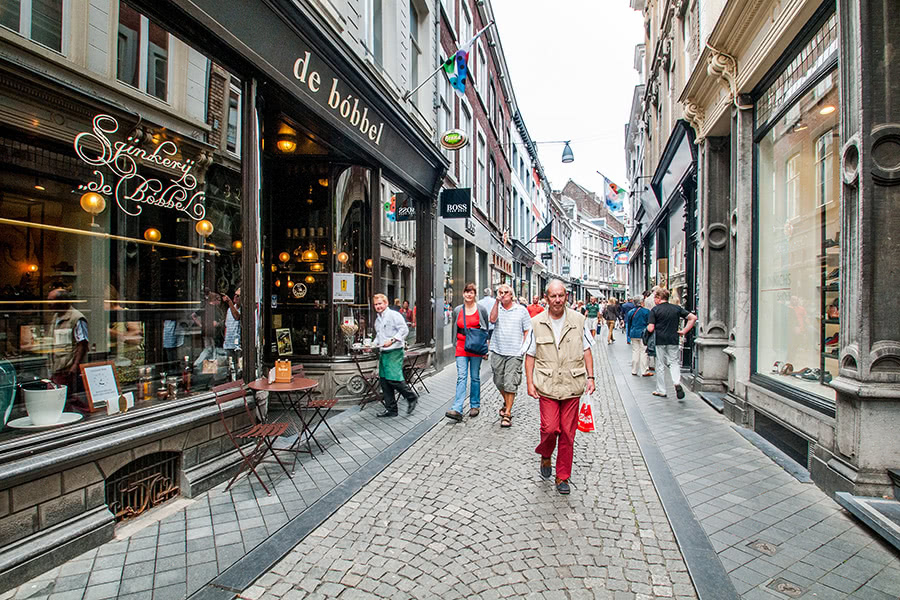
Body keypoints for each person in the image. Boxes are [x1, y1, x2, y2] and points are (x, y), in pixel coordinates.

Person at [524, 280, 595, 495]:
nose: (557, 300)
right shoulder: (536, 322)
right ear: (546, 298)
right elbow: (529, 355)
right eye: (553, 296)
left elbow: (587, 350)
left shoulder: (579, 320)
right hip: (547, 385)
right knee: (549, 429)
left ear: (566, 297)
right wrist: (529, 382)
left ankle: (562, 476)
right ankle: (546, 456)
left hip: (572, 385)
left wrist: (591, 377)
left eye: (561, 296)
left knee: (567, 433)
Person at [489, 283, 532, 428]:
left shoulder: (521, 310)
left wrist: (523, 348)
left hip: (514, 352)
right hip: (498, 350)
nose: (503, 294)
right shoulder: (497, 308)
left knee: (510, 383)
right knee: (498, 381)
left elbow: (527, 330)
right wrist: (496, 301)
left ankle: (507, 413)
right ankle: (507, 401)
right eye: (500, 292)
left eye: (505, 292)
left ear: (511, 295)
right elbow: (492, 320)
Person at [446, 283, 489, 422]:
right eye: (467, 292)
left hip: (475, 347)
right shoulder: (458, 310)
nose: (469, 295)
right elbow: (455, 327)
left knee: (475, 377)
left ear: (475, 294)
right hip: (461, 347)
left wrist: (485, 347)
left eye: (472, 292)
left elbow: (485, 330)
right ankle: (457, 408)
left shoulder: (481, 310)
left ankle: (474, 405)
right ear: (463, 293)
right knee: (462, 377)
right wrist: (454, 343)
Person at [646, 288, 697, 399]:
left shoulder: (655, 310)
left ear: (659, 298)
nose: (654, 300)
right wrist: (684, 331)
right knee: (674, 362)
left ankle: (661, 390)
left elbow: (650, 328)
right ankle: (676, 382)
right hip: (673, 339)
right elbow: (693, 318)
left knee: (660, 364)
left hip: (660, 340)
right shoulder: (676, 308)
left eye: (655, 297)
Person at [373, 293, 417, 417]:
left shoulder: (394, 315)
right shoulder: (378, 320)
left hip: (394, 351)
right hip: (383, 352)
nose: (378, 306)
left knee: (393, 378)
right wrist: (372, 345)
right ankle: (391, 409)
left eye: (380, 303)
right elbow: (379, 336)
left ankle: (411, 397)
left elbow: (404, 330)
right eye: (376, 304)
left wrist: (392, 340)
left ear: (386, 303)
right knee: (384, 381)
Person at [46, 287, 89, 405]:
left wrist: (75, 365)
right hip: (56, 365)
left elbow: (82, 343)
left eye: (51, 300)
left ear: (62, 302)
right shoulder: (56, 317)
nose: (48, 303)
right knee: (59, 397)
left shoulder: (76, 318)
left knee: (64, 397)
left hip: (67, 367)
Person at [625, 298, 651, 376]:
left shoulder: (630, 312)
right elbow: (649, 323)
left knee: (635, 351)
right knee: (643, 351)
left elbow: (629, 324)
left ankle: (634, 370)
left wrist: (629, 334)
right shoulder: (646, 311)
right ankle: (644, 370)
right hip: (643, 334)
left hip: (633, 333)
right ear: (642, 302)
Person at [222, 287, 241, 368]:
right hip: (228, 343)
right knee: (230, 367)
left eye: (238, 296)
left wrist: (229, 302)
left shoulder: (243, 308)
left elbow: (237, 316)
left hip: (237, 345)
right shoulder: (230, 309)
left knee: (238, 367)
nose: (235, 297)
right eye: (235, 295)